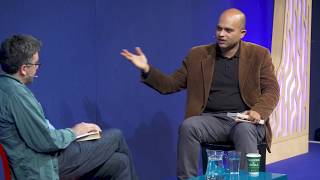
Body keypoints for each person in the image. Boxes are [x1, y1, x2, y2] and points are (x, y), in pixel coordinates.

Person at [121, 8, 279, 180]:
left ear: (242, 33)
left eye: (228, 30)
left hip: (244, 120)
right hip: (212, 120)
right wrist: (147, 69)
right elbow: (170, 84)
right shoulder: (198, 55)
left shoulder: (259, 55)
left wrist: (257, 111)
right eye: (219, 29)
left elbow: (272, 90)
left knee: (243, 130)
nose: (221, 34)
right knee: (189, 126)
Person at [0, 34, 138, 180]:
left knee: (120, 163)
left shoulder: (6, 87)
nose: (37, 69)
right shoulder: (16, 95)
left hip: (41, 159)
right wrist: (75, 132)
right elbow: (46, 142)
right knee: (116, 136)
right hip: (42, 165)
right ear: (24, 69)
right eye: (36, 64)